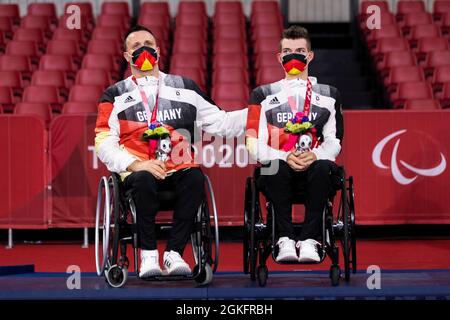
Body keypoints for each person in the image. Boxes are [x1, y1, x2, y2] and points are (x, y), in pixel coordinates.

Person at [95, 25, 247, 277]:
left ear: (158, 50)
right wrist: (135, 164)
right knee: (144, 179)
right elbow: (103, 141)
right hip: (138, 170)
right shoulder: (115, 95)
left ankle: (174, 253)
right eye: (135, 46)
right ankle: (148, 256)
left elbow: (222, 122)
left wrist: (256, 112)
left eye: (148, 44)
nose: (143, 49)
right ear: (126, 56)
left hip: (178, 168)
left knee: (195, 176)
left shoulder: (185, 87)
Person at [245, 26, 343, 263]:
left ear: (310, 56)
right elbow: (251, 142)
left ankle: (311, 240)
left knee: (322, 167)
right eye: (287, 51)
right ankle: (284, 239)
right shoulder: (260, 95)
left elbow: (335, 140)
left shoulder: (330, 94)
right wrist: (284, 156)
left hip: (316, 169)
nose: (294, 56)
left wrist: (315, 155)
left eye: (300, 50)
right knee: (275, 166)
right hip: (278, 168)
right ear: (279, 57)